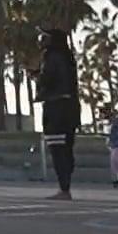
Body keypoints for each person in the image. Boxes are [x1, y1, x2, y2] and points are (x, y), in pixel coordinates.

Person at [33, 28, 81, 200]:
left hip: (56, 107)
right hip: (71, 107)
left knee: (57, 149)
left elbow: (48, 79)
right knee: (66, 149)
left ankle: (64, 188)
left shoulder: (51, 57)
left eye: (44, 37)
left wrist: (37, 77)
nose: (41, 40)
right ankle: (65, 186)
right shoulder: (68, 58)